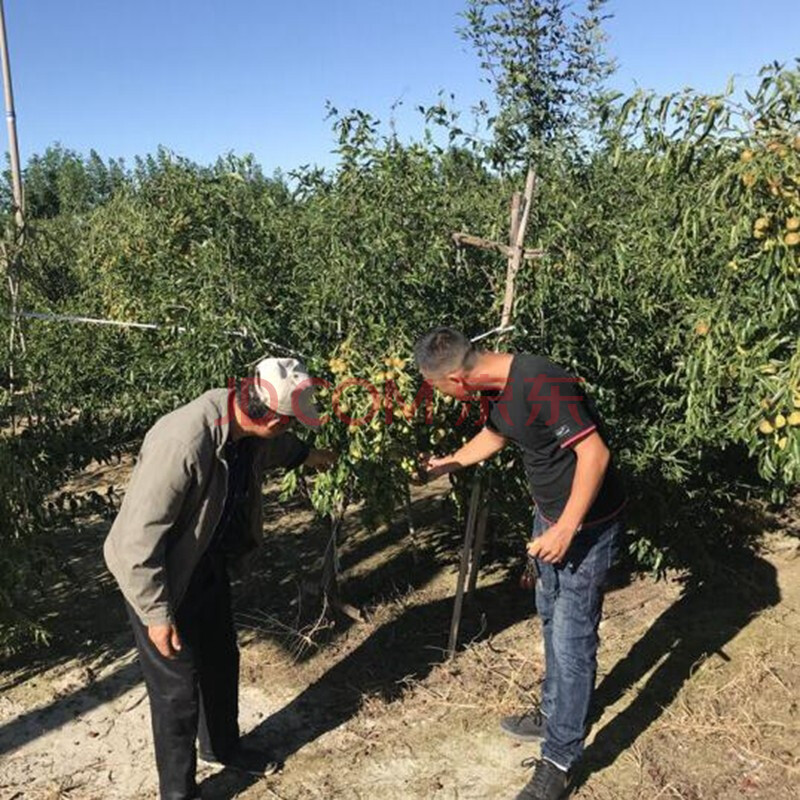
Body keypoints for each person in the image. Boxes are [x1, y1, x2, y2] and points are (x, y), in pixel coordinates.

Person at [103, 357, 335, 800]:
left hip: (205, 564)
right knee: (176, 689)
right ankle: (178, 792)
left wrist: (311, 456)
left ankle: (223, 748)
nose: (289, 432)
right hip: (157, 576)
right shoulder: (184, 441)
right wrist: (157, 614)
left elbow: (278, 449)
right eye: (289, 425)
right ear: (267, 416)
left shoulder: (247, 427)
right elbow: (135, 543)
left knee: (220, 659)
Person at [414, 328, 626, 800]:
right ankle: (555, 714)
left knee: (573, 642)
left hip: (583, 530)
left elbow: (595, 454)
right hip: (548, 519)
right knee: (550, 618)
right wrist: (449, 463)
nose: (447, 399)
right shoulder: (499, 391)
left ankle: (559, 761)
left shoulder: (542, 379)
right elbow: (495, 436)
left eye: (441, 391)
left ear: (456, 379)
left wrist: (567, 528)